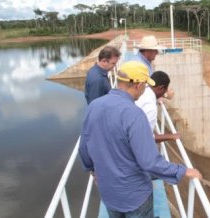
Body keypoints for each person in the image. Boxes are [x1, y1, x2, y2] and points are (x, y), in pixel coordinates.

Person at [79, 61, 202, 217]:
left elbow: (84, 148)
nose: (145, 90)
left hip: (108, 192)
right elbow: (149, 162)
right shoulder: (134, 114)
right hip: (135, 196)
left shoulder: (93, 106)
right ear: (137, 85)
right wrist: (182, 170)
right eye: (145, 85)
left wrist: (93, 172)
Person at [136, 70, 178, 143]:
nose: (164, 93)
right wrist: (171, 136)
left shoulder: (141, 91)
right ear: (161, 88)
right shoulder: (151, 107)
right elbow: (146, 137)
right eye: (165, 90)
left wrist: (163, 95)